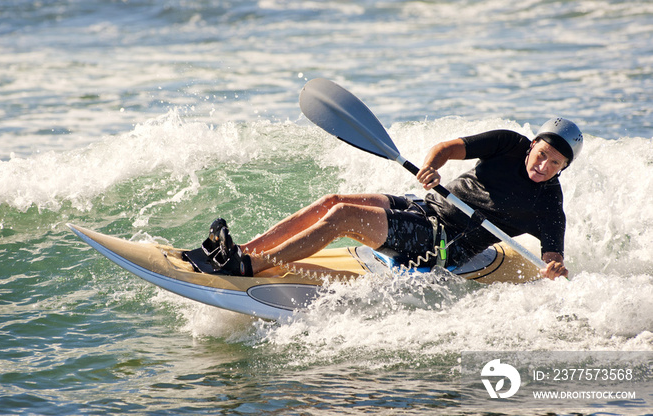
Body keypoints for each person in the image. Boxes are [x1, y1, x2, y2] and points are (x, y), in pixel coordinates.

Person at [196, 118, 583, 281]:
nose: (545, 166)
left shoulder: (548, 204)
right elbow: (445, 148)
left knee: (344, 215)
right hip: (425, 206)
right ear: (533, 144)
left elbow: (553, 256)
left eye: (556, 163)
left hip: (440, 246)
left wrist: (553, 269)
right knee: (334, 200)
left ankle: (248, 266)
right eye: (543, 154)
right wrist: (430, 168)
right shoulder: (508, 143)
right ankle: (246, 249)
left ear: (563, 168)